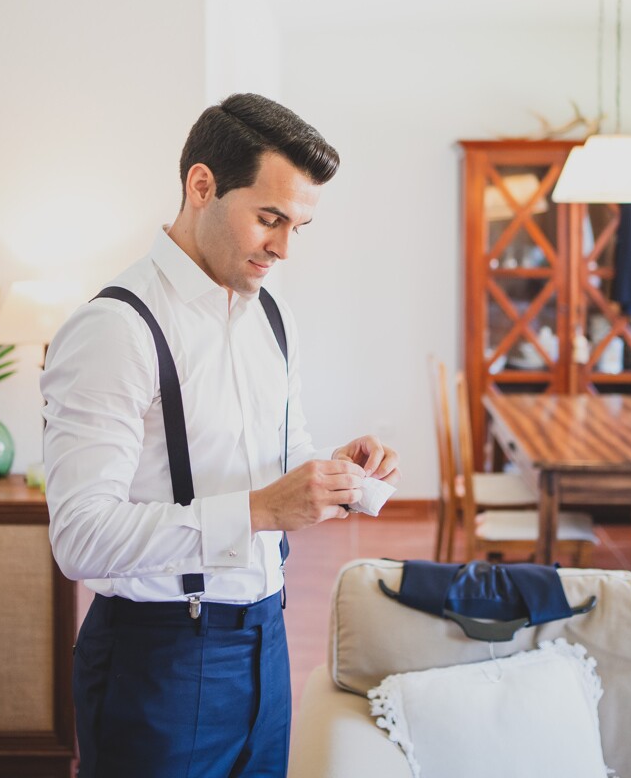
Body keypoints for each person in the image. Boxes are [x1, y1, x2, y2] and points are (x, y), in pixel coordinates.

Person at [41, 93, 400, 778]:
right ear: (201, 185)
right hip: (158, 660)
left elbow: (279, 463)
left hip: (267, 638)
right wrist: (262, 511)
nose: (285, 247)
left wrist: (337, 474)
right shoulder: (115, 330)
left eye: (299, 225)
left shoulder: (275, 319)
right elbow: (79, 538)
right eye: (269, 218)